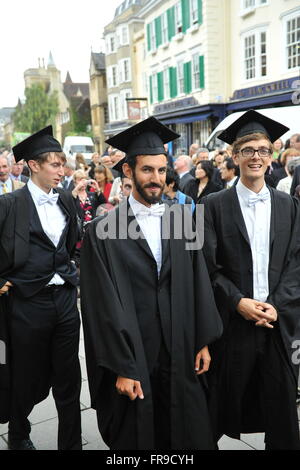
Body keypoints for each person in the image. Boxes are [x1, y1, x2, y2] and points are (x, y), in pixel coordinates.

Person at [80, 116, 223, 450]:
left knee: (188, 432)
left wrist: (202, 339)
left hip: (180, 345)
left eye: (161, 170)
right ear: (128, 171)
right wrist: (121, 366)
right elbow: (99, 307)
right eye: (147, 170)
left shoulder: (181, 221)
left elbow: (199, 283)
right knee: (140, 436)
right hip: (135, 352)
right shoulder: (103, 232)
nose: (156, 179)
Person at [202, 109, 300, 450]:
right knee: (215, 408)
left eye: (262, 149)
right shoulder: (213, 206)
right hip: (232, 325)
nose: (255, 156)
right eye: (247, 150)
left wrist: (278, 305)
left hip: (277, 325)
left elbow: (296, 264)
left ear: (271, 156)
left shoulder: (290, 206)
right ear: (234, 156)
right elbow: (206, 266)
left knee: (283, 412)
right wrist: (237, 301)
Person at [0, 126, 82, 450]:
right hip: (26, 305)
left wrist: (73, 268)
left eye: (63, 164)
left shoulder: (65, 198)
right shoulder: (8, 204)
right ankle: (19, 434)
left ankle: (71, 445)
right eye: (56, 164)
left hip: (64, 301)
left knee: (69, 380)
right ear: (33, 165)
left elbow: (74, 240)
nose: (63, 171)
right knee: (26, 377)